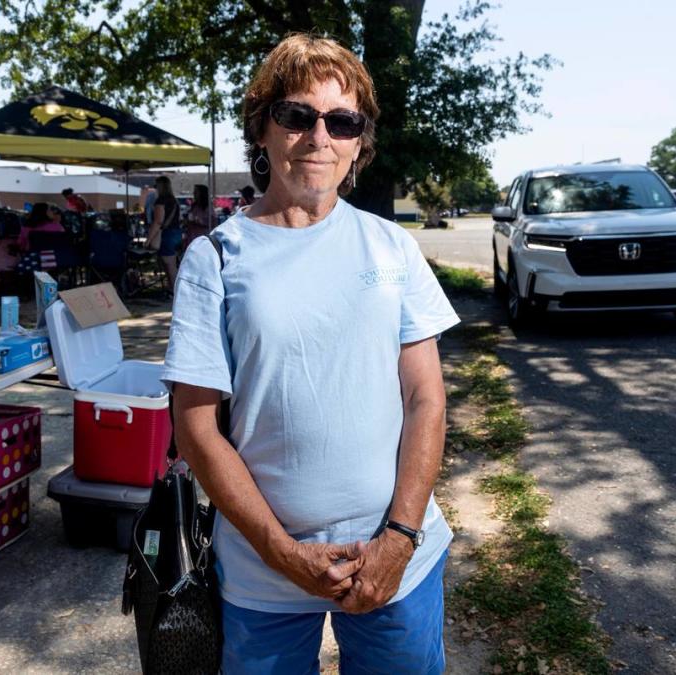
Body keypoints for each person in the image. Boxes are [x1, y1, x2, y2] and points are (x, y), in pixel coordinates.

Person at [162, 34, 459, 674]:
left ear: (359, 141)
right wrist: (281, 552)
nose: (319, 136)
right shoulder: (213, 258)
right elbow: (195, 427)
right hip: (263, 571)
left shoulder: (391, 247)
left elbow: (425, 397)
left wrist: (399, 541)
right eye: (298, 116)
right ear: (263, 129)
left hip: (396, 561)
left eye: (342, 121)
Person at [145, 175, 183, 289]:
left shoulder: (161, 201)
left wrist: (148, 240)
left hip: (167, 235)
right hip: (176, 233)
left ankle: (176, 291)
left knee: (170, 266)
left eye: (156, 186)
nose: (155, 188)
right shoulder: (174, 201)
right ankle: (173, 289)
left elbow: (158, 222)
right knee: (172, 265)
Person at [180, 183, 216, 256]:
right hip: (191, 236)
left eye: (196, 192)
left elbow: (212, 221)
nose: (193, 193)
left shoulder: (208, 206)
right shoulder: (194, 206)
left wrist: (197, 220)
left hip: (202, 237)